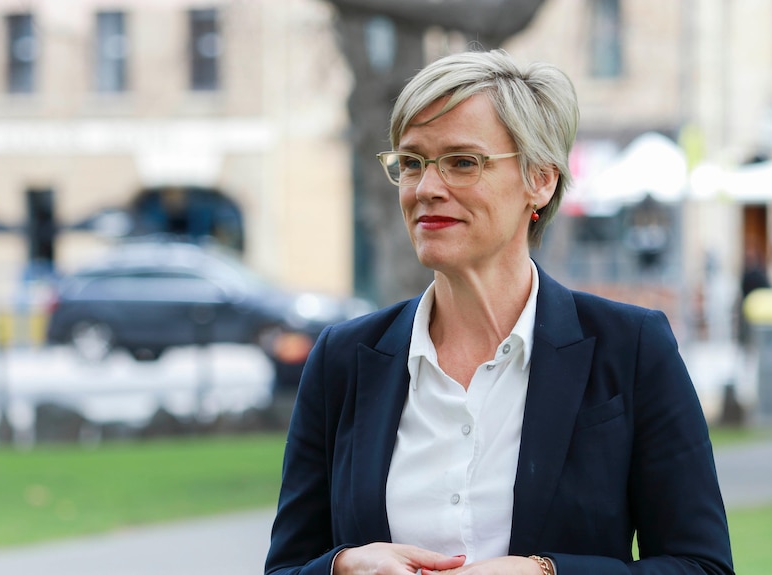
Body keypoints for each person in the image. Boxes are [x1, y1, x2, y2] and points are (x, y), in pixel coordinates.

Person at [264, 49, 733, 575]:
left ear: (541, 179)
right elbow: (286, 567)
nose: (426, 189)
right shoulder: (343, 359)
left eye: (463, 162)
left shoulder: (630, 349)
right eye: (412, 162)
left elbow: (702, 566)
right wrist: (343, 567)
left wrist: (545, 573)